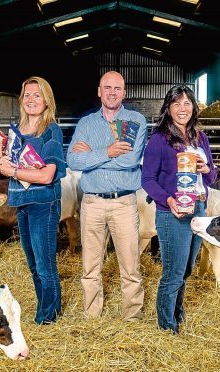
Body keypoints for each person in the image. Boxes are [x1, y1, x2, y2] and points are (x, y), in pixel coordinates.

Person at [66, 71, 147, 321]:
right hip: (92, 203)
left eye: (117, 88)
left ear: (124, 92)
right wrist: (110, 151)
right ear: (99, 91)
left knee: (130, 266)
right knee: (90, 266)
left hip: (124, 202)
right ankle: (92, 316)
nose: (112, 92)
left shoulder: (135, 121)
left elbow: (131, 160)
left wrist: (94, 155)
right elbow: (73, 160)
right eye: (107, 87)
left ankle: (131, 317)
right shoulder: (86, 123)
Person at [141, 84, 216, 334]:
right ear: (168, 108)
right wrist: (169, 200)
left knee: (186, 269)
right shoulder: (160, 140)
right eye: (176, 104)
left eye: (186, 103)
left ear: (194, 107)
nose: (182, 108)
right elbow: (147, 180)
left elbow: (212, 175)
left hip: (198, 209)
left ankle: (177, 313)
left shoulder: (200, 137)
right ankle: (166, 326)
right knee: (173, 272)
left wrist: (206, 170)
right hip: (172, 212)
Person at [0, 76, 66, 325]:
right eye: (27, 95)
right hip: (22, 202)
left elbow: (48, 175)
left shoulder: (51, 131)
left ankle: (49, 317)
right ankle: (44, 310)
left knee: (45, 265)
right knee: (34, 264)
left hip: (43, 204)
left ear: (47, 101)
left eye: (37, 95)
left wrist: (12, 171)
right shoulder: (16, 132)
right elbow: (6, 163)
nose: (31, 100)